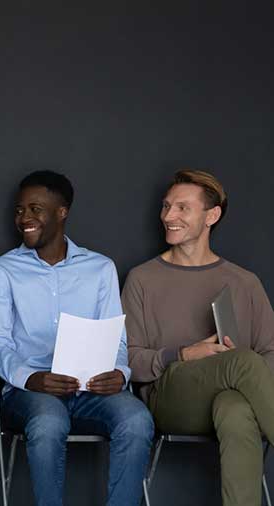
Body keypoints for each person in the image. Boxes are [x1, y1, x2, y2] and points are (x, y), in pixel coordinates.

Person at [0, 170, 154, 506]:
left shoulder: (100, 268)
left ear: (62, 212)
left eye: (35, 209)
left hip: (92, 390)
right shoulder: (3, 270)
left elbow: (116, 337)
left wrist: (120, 372)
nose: (25, 218)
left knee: (136, 420)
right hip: (30, 393)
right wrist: (31, 378)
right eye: (20, 211)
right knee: (48, 422)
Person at [123, 169, 274, 506]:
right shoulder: (142, 279)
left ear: (212, 215)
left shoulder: (244, 282)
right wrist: (182, 354)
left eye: (181, 208)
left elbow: (272, 351)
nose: (168, 216)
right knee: (243, 361)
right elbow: (128, 359)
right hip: (170, 399)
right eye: (166, 207)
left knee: (236, 411)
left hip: (231, 396)